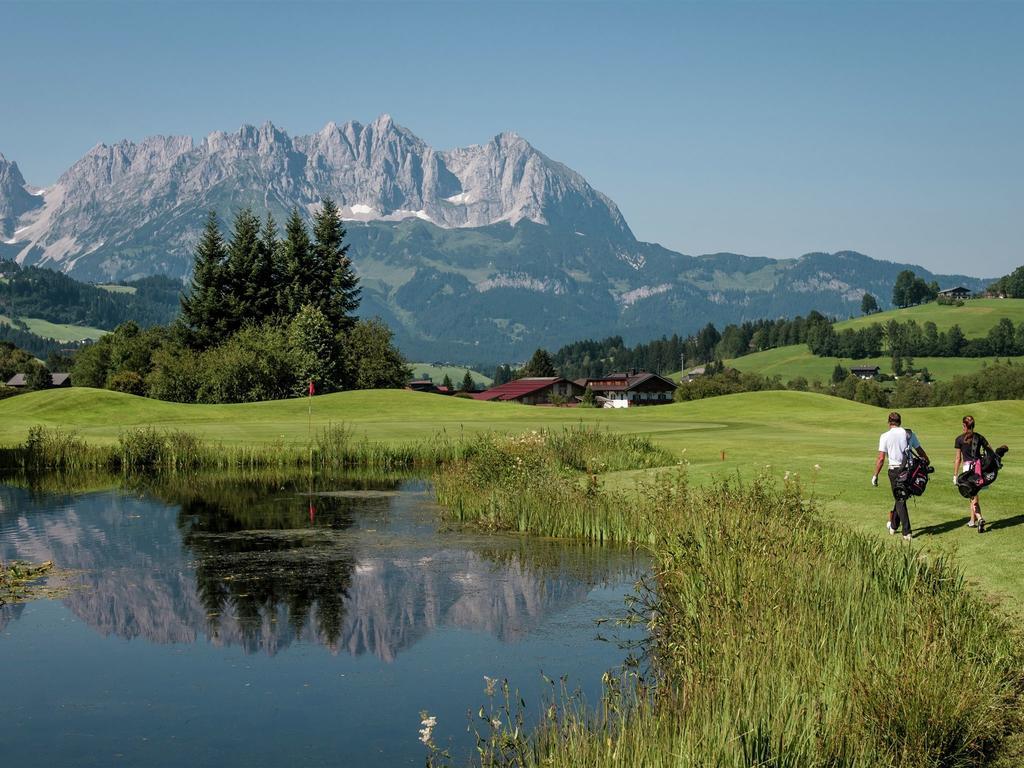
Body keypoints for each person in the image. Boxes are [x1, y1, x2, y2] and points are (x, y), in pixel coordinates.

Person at [872, 411, 929, 540]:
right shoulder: (909, 434)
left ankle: (906, 532)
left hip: (894, 471)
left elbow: (881, 459)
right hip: (909, 471)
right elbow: (920, 451)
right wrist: (927, 461)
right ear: (900, 422)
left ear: (889, 422)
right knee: (900, 497)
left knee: (900, 499)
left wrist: (875, 475)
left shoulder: (884, 436)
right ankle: (893, 526)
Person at [954, 415, 990, 533]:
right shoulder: (979, 437)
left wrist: (955, 475)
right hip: (979, 469)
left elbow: (958, 459)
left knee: (972, 496)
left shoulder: (959, 439)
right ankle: (972, 520)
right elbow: (990, 450)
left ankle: (979, 518)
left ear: (964, 425)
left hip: (967, 470)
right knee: (973, 496)